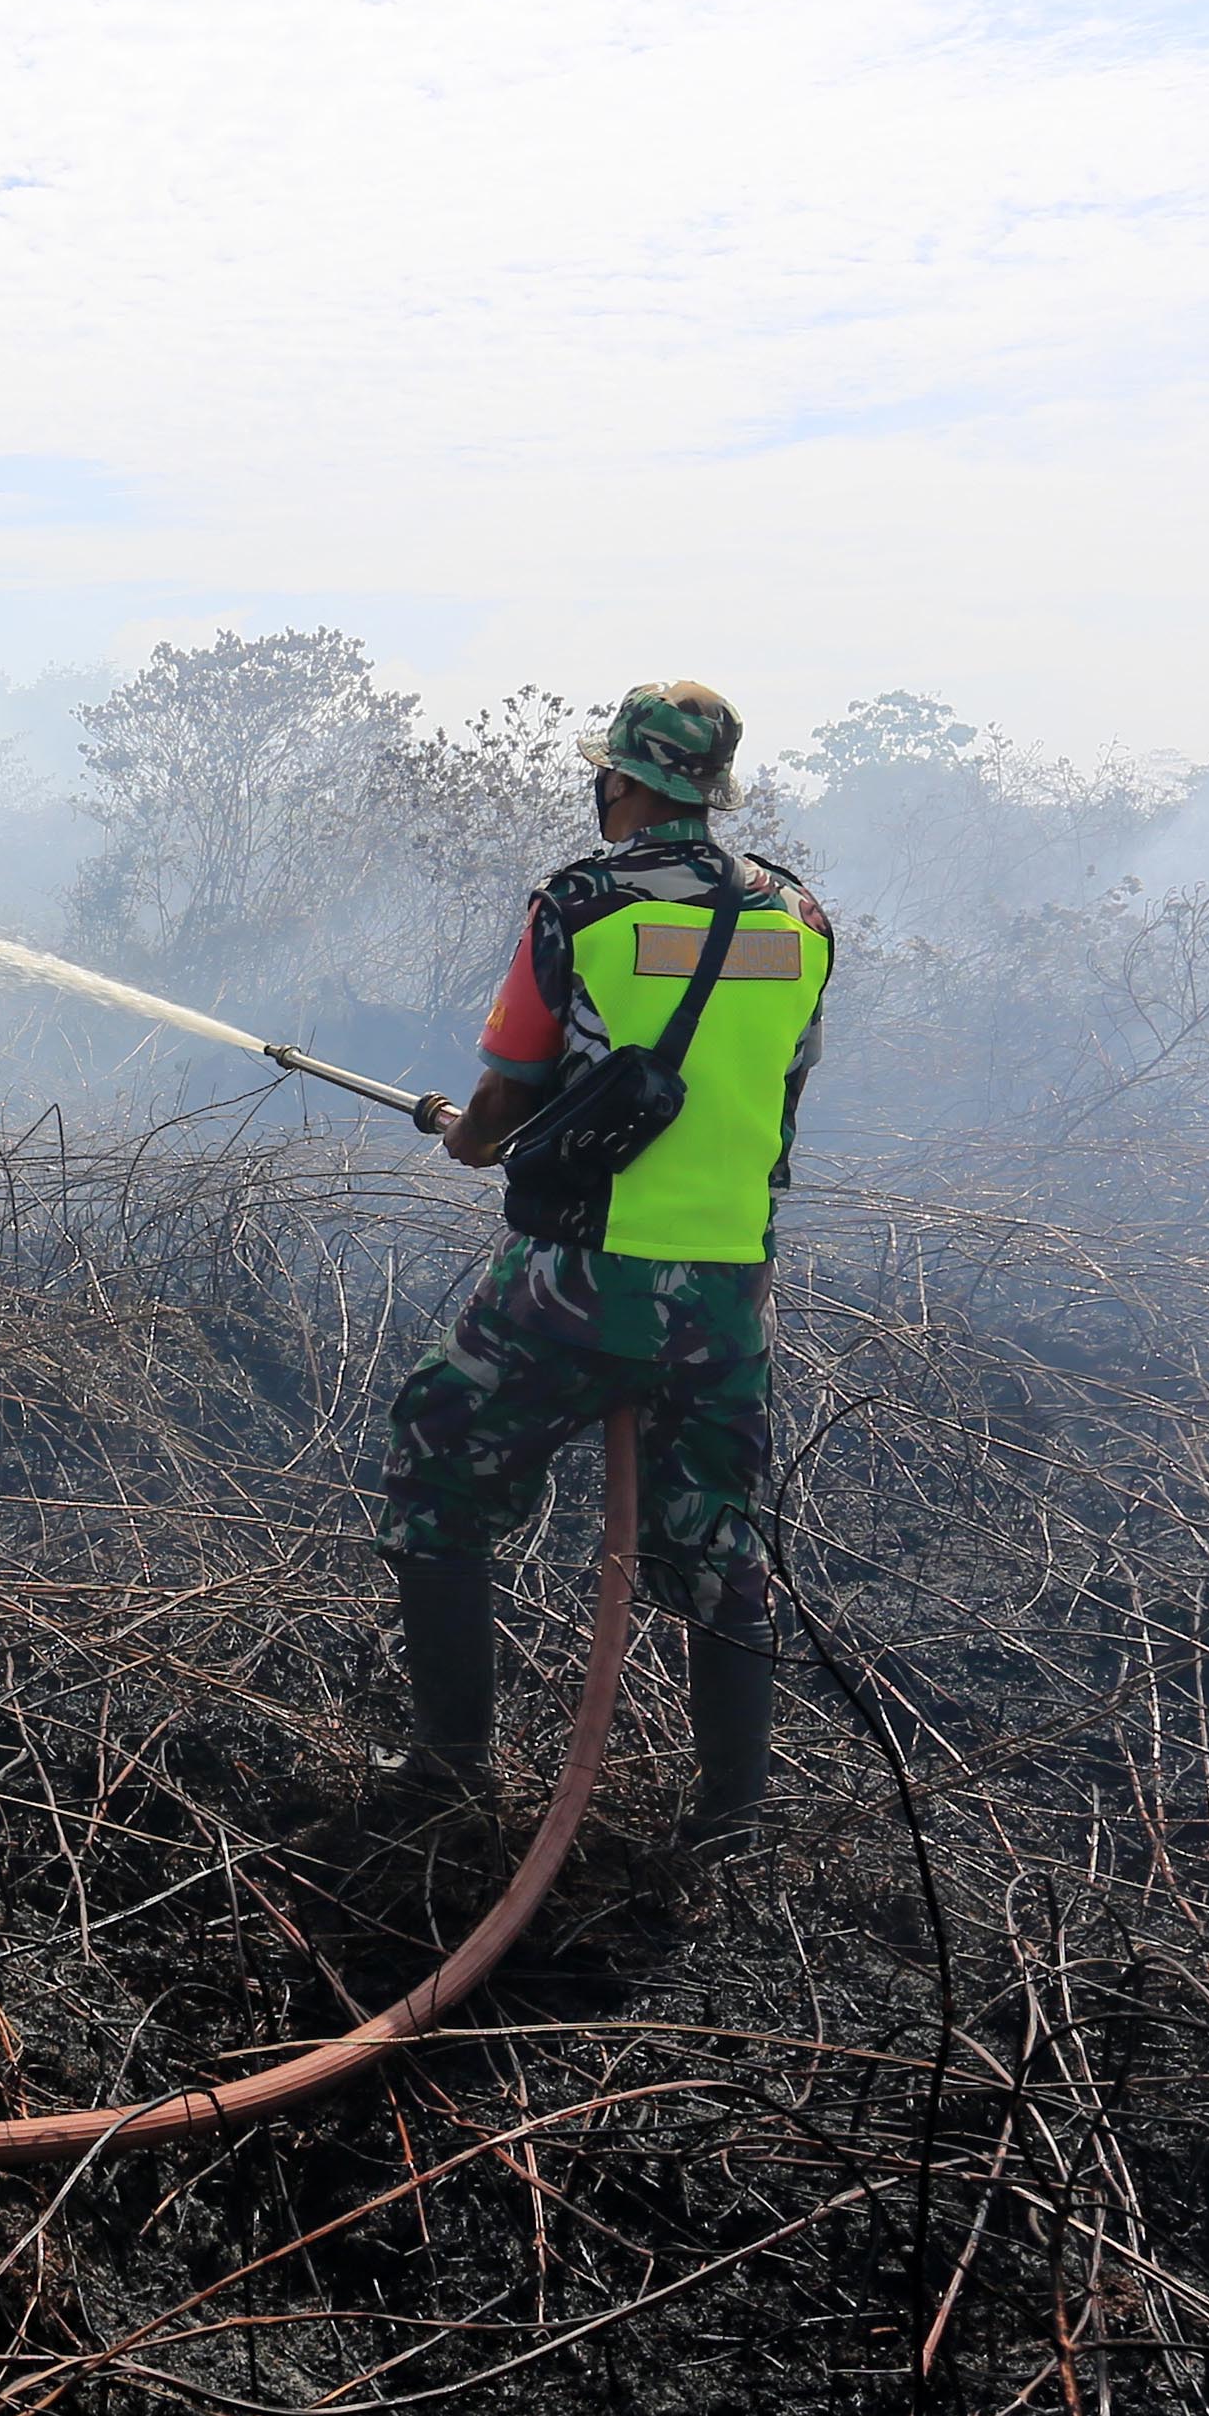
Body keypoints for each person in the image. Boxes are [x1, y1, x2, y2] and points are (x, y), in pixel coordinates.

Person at [381, 683, 835, 1843]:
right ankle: (732, 1814)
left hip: (576, 1281)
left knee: (438, 1456)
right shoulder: (800, 921)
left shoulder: (579, 903)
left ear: (622, 780)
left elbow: (503, 1095)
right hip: (727, 1293)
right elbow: (774, 1111)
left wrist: (468, 1140)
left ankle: (448, 1771)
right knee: (721, 1542)